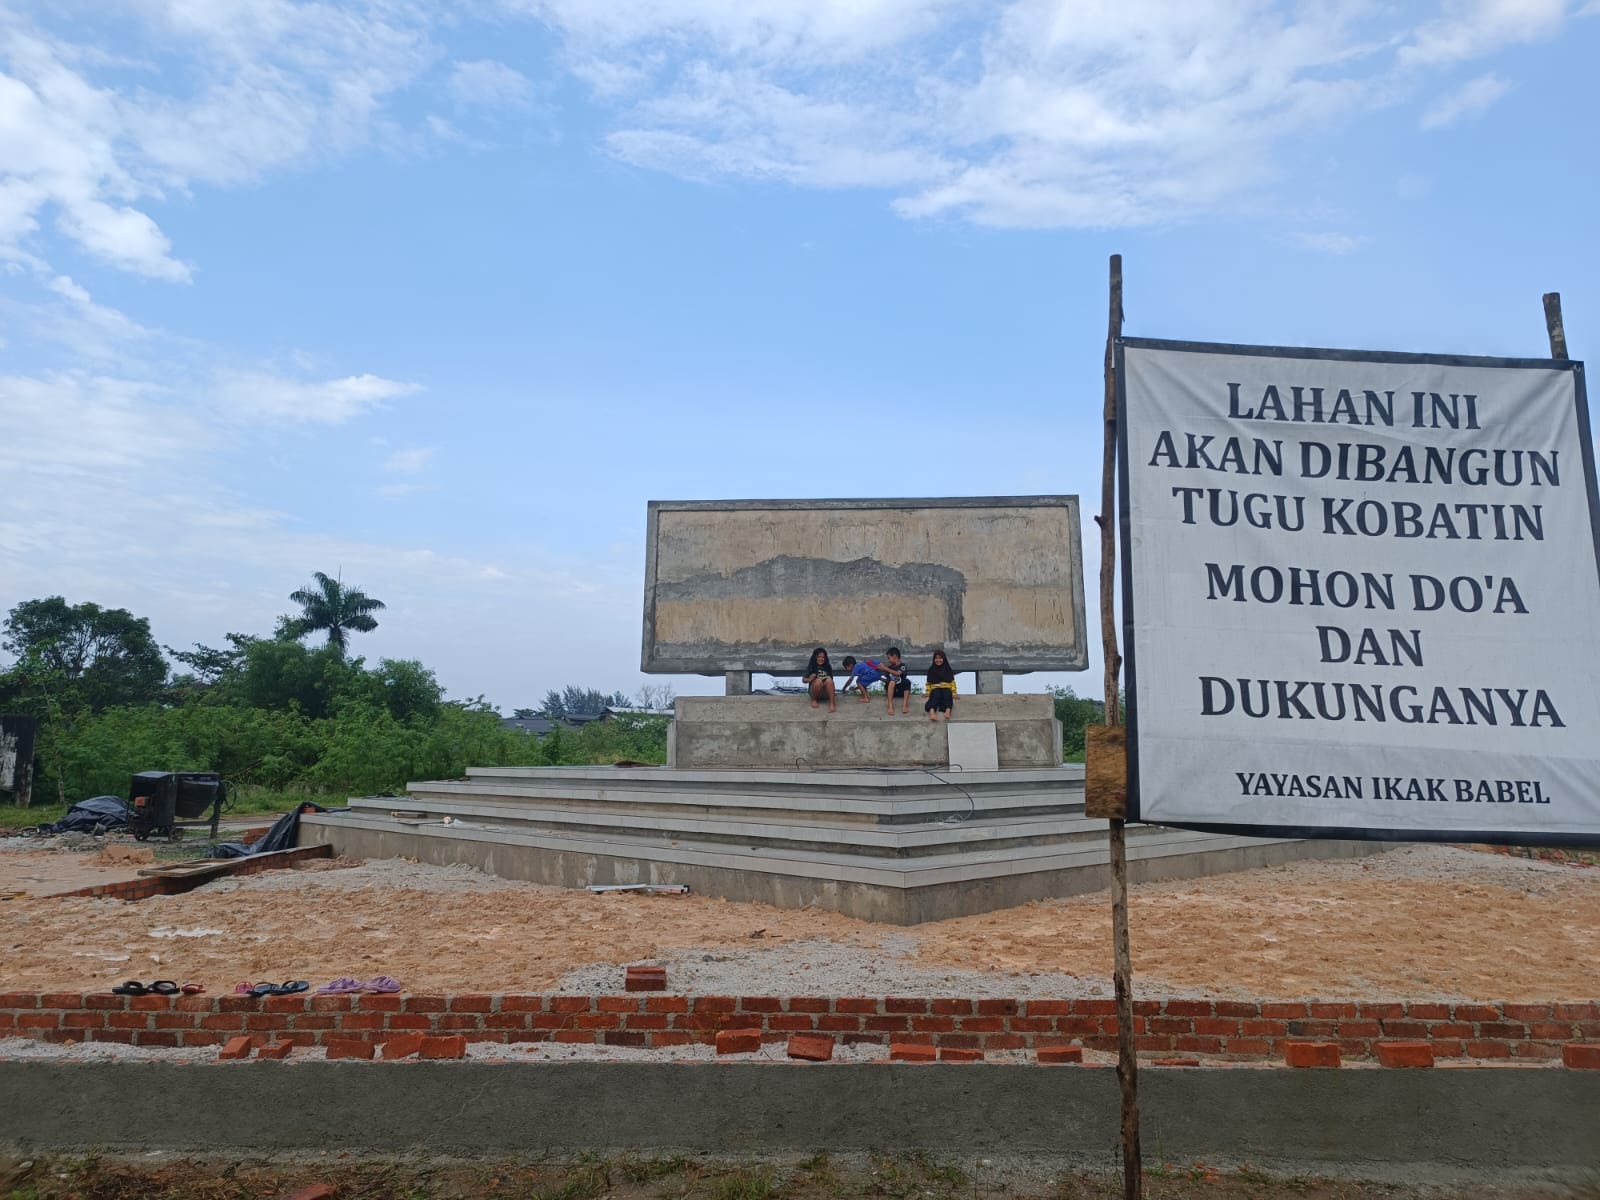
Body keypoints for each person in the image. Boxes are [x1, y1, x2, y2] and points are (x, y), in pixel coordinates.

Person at [802, 647, 837, 712]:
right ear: (815, 657)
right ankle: (814, 700)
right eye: (818, 657)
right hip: (815, 693)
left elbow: (831, 681)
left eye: (823, 657)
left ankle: (832, 703)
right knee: (819, 681)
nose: (821, 659)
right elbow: (803, 680)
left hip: (825, 693)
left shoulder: (828, 666)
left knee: (829, 679)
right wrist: (809, 679)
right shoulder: (811, 666)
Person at [924, 649, 956, 721]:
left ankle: (948, 711)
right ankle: (932, 712)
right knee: (935, 694)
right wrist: (928, 692)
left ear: (944, 659)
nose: (938, 660)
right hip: (935, 688)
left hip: (946, 687)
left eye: (940, 658)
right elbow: (928, 683)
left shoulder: (948, 669)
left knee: (947, 694)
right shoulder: (931, 669)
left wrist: (954, 693)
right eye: (936, 658)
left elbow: (952, 682)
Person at [883, 646, 911, 714]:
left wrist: (885, 668)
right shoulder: (889, 668)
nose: (888, 660)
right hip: (892, 691)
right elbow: (887, 681)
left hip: (901, 690)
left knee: (907, 682)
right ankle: (890, 706)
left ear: (894, 656)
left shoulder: (902, 666)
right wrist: (878, 677)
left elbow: (898, 673)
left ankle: (904, 705)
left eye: (889, 658)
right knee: (891, 682)